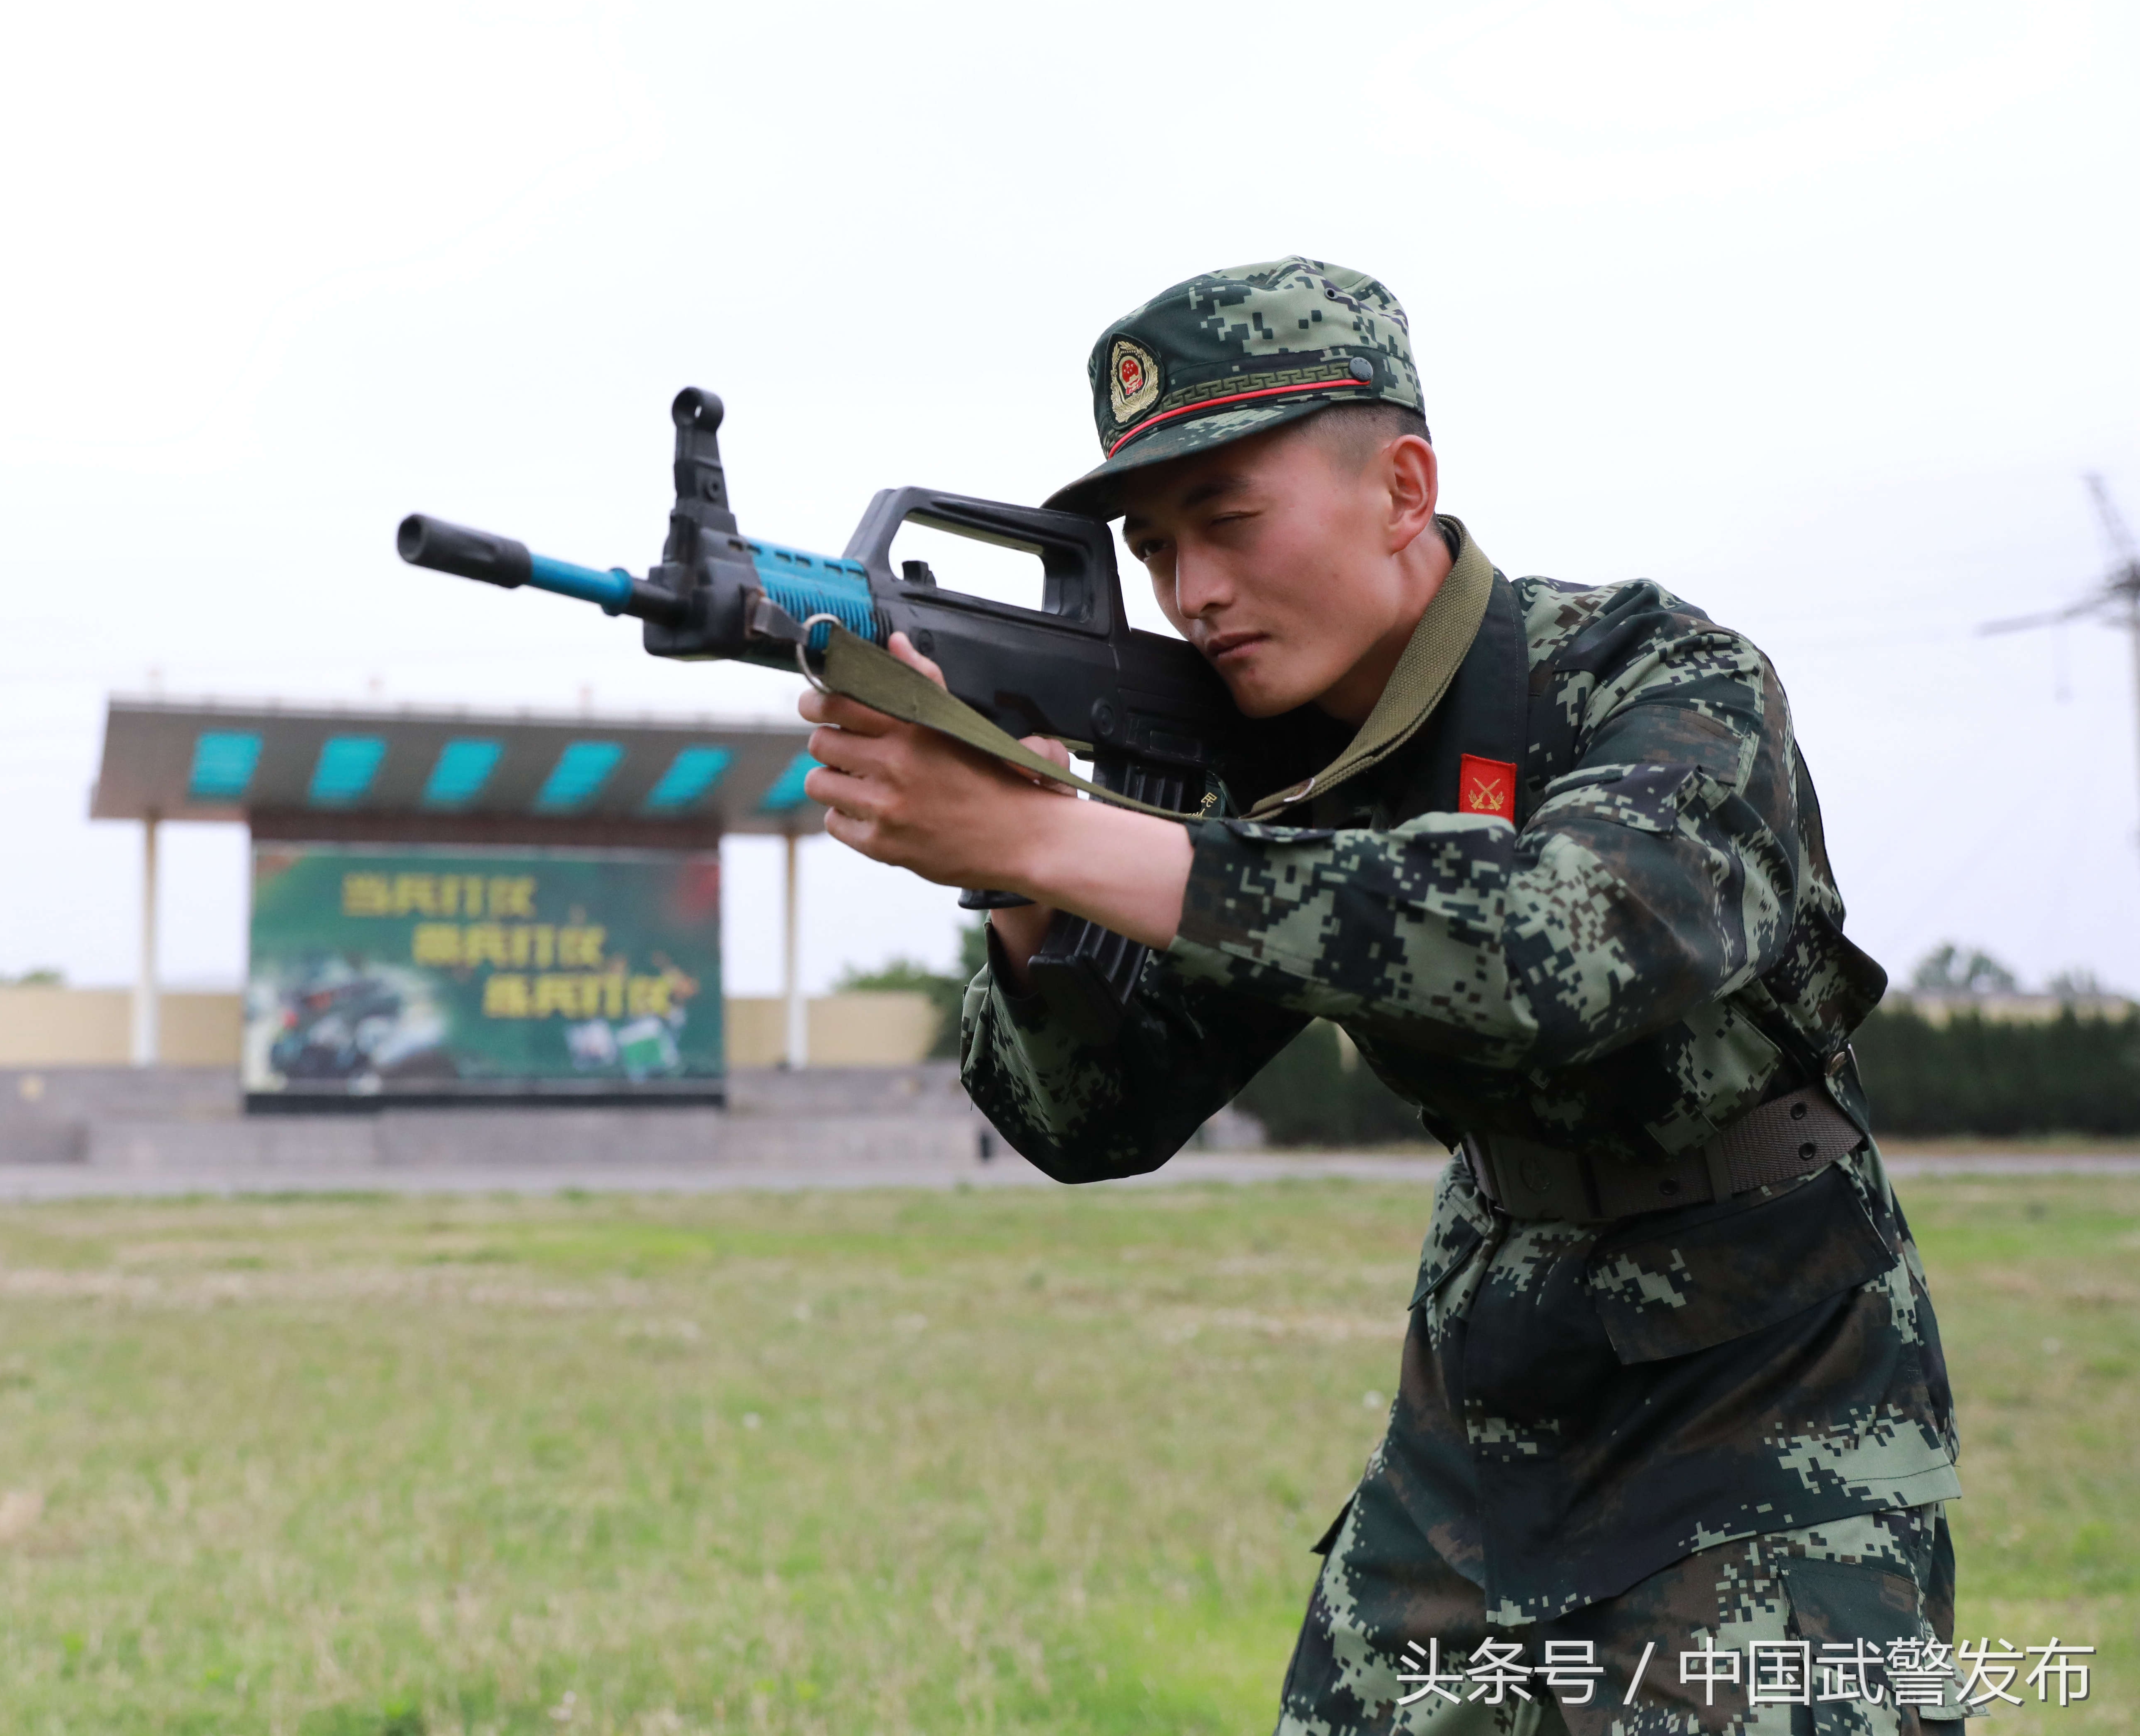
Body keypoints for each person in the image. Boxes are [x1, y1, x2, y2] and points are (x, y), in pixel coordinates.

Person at [795, 259, 1963, 1736]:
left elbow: (1562, 947)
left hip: (1770, 1376)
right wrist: (1018, 873)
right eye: (1155, 551)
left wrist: (1054, 840)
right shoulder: (1266, 762)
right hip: (1488, 1373)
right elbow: (1095, 1122)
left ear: (1404, 488)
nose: (1192, 593)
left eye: (1228, 523)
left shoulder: (1655, 676)